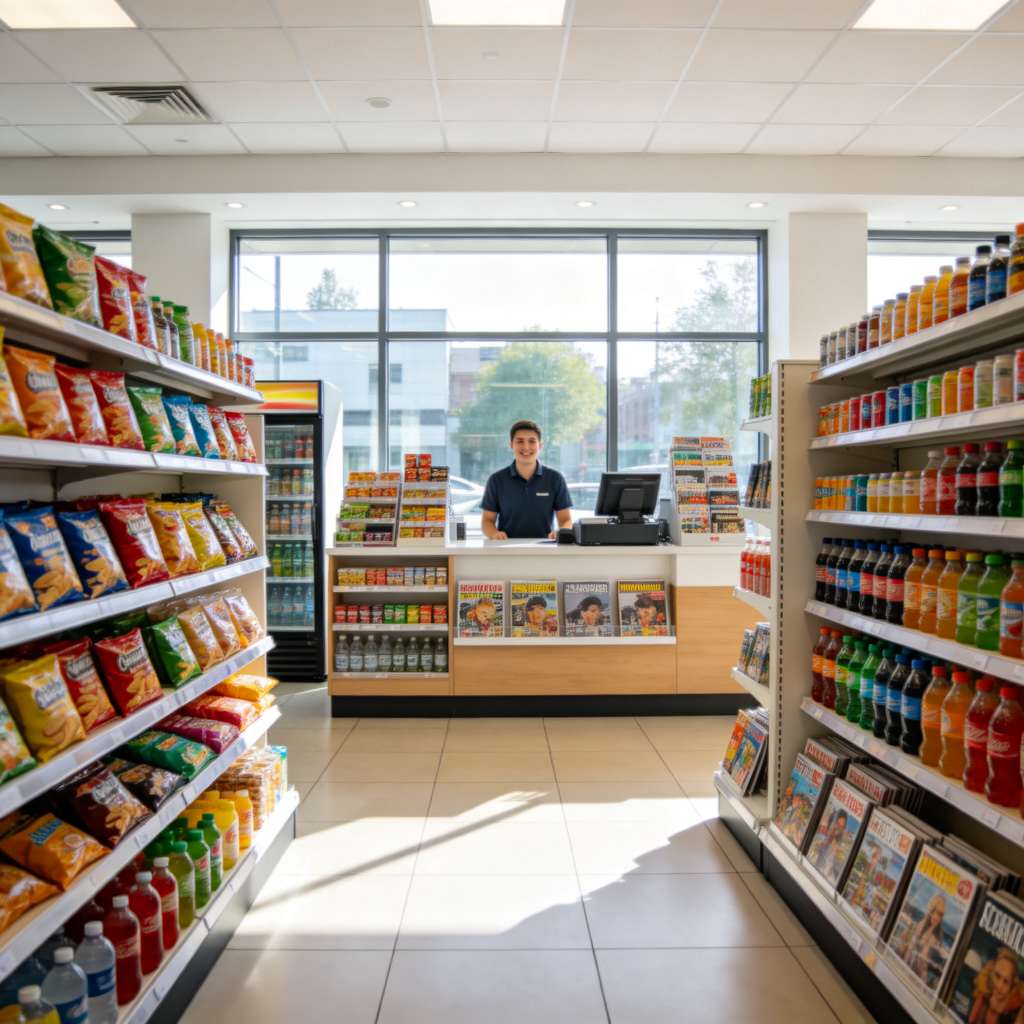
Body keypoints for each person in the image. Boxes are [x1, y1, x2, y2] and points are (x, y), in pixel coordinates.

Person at [481, 420, 572, 540]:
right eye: (520, 441)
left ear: (540, 446)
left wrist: (561, 532)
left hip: (545, 549)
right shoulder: (496, 480)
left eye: (532, 441)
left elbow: (566, 519)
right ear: (511, 445)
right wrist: (494, 533)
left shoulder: (555, 478)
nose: (526, 447)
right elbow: (487, 521)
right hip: (506, 549)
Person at [968, 947, 1023, 1024]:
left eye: (1006, 981)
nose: (999, 986)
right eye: (997, 976)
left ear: (1012, 986)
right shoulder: (982, 998)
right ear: (991, 974)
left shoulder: (1015, 1015)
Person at [904, 893, 946, 985]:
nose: (936, 917)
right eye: (934, 912)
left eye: (939, 914)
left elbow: (933, 962)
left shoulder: (939, 935)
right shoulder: (922, 924)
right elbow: (910, 947)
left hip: (921, 977)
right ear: (930, 912)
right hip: (909, 967)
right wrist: (904, 966)